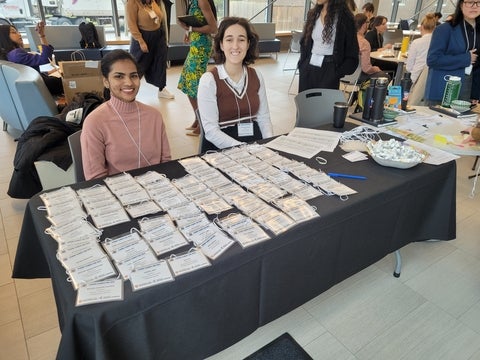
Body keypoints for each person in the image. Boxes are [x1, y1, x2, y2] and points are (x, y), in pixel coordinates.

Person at [81, 50, 171, 180]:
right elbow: (95, 177)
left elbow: (166, 161)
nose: (129, 83)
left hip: (157, 187)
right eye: (119, 76)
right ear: (106, 81)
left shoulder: (154, 116)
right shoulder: (95, 122)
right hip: (118, 194)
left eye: (133, 76)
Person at [197, 17, 273, 151]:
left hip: (254, 143)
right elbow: (211, 131)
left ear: (248, 44)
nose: (236, 46)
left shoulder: (256, 76)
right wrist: (243, 150)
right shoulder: (209, 80)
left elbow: (263, 118)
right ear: (221, 44)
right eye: (229, 39)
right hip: (221, 148)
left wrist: (268, 145)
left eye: (241, 39)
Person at [426, 0, 480, 105]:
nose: (474, 6)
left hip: (468, 90)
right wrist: (466, 58)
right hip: (444, 87)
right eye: (470, 2)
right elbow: (432, 60)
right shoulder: (445, 29)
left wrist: (476, 93)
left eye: (478, 2)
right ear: (460, 5)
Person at [298, 0, 359, 92]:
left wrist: (337, 72)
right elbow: (305, 42)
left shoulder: (345, 18)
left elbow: (352, 49)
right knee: (307, 104)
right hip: (309, 67)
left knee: (324, 105)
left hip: (330, 68)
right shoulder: (313, 14)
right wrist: (302, 65)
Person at [177, 0, 218, 136]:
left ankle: (203, 123)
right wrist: (188, 32)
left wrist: (190, 29)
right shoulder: (193, 1)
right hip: (195, 45)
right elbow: (197, 21)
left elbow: (213, 27)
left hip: (201, 47)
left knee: (194, 86)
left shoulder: (202, 1)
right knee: (188, 83)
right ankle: (197, 118)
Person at [126, 0, 174, 99]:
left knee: (160, 62)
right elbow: (132, 24)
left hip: (158, 36)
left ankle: (161, 89)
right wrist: (141, 41)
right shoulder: (132, 3)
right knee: (137, 66)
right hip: (143, 37)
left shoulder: (154, 1)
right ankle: (129, 92)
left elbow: (159, 18)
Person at [0, 22, 63, 96]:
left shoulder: (8, 55)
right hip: (45, 85)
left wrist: (47, 73)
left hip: (39, 84)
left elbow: (27, 71)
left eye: (17, 31)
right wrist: (42, 35)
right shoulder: (16, 54)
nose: (19, 34)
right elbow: (45, 59)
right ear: (4, 37)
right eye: (14, 32)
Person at [355, 13, 390, 83]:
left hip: (345, 75)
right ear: (364, 25)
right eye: (368, 22)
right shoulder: (364, 43)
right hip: (358, 76)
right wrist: (375, 69)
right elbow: (366, 69)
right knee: (386, 77)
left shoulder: (347, 39)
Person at [406, 13, 436, 84]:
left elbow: (409, 68)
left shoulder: (416, 42)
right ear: (434, 28)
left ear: (421, 27)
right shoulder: (439, 42)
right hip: (432, 79)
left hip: (416, 78)